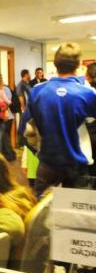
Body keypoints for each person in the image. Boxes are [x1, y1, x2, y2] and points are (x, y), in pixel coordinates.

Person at [21, 43, 96, 197]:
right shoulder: (88, 93)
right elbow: (92, 126)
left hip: (48, 162)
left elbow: (26, 130)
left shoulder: (37, 91)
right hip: (78, 162)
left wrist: (39, 149)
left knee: (42, 213)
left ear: (55, 64)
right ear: (79, 65)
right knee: (76, 213)